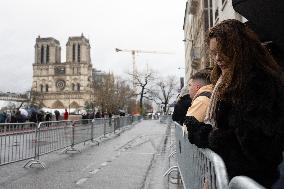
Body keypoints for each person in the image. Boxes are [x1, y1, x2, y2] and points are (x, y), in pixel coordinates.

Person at [184, 19, 284, 188]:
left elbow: (253, 146)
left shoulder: (257, 82)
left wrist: (202, 134)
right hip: (238, 177)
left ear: (240, 48)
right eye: (214, 53)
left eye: (223, 51)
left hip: (253, 179)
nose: (217, 58)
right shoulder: (230, 81)